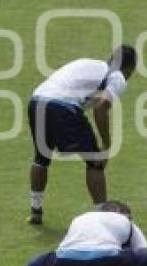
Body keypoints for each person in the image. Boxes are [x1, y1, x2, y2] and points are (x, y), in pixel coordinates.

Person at [26, 45, 137, 225]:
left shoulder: (89, 64)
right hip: (62, 106)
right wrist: (106, 146)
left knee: (41, 157)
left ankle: (35, 211)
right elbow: (101, 109)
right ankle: (103, 217)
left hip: (37, 100)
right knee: (95, 161)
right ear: (130, 69)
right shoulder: (117, 76)